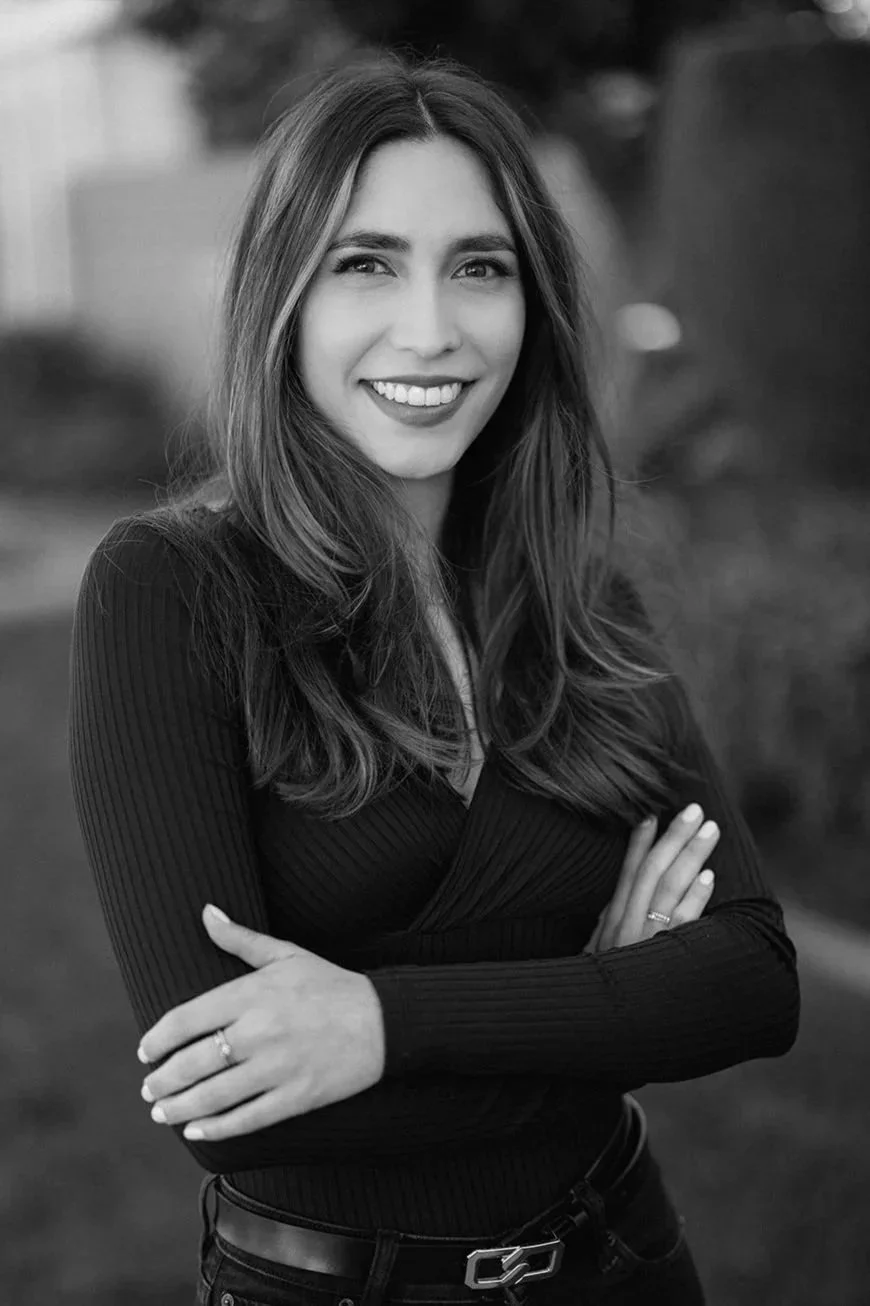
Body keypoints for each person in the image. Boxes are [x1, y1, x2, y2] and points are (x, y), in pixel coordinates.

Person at [68, 53, 800, 1306]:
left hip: (621, 1258)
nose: (431, 329)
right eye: (365, 264)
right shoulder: (171, 591)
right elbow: (231, 1108)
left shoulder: (576, 593)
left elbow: (752, 981)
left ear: (534, 304)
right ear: (280, 297)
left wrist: (376, 1024)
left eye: (480, 266)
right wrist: (604, 996)